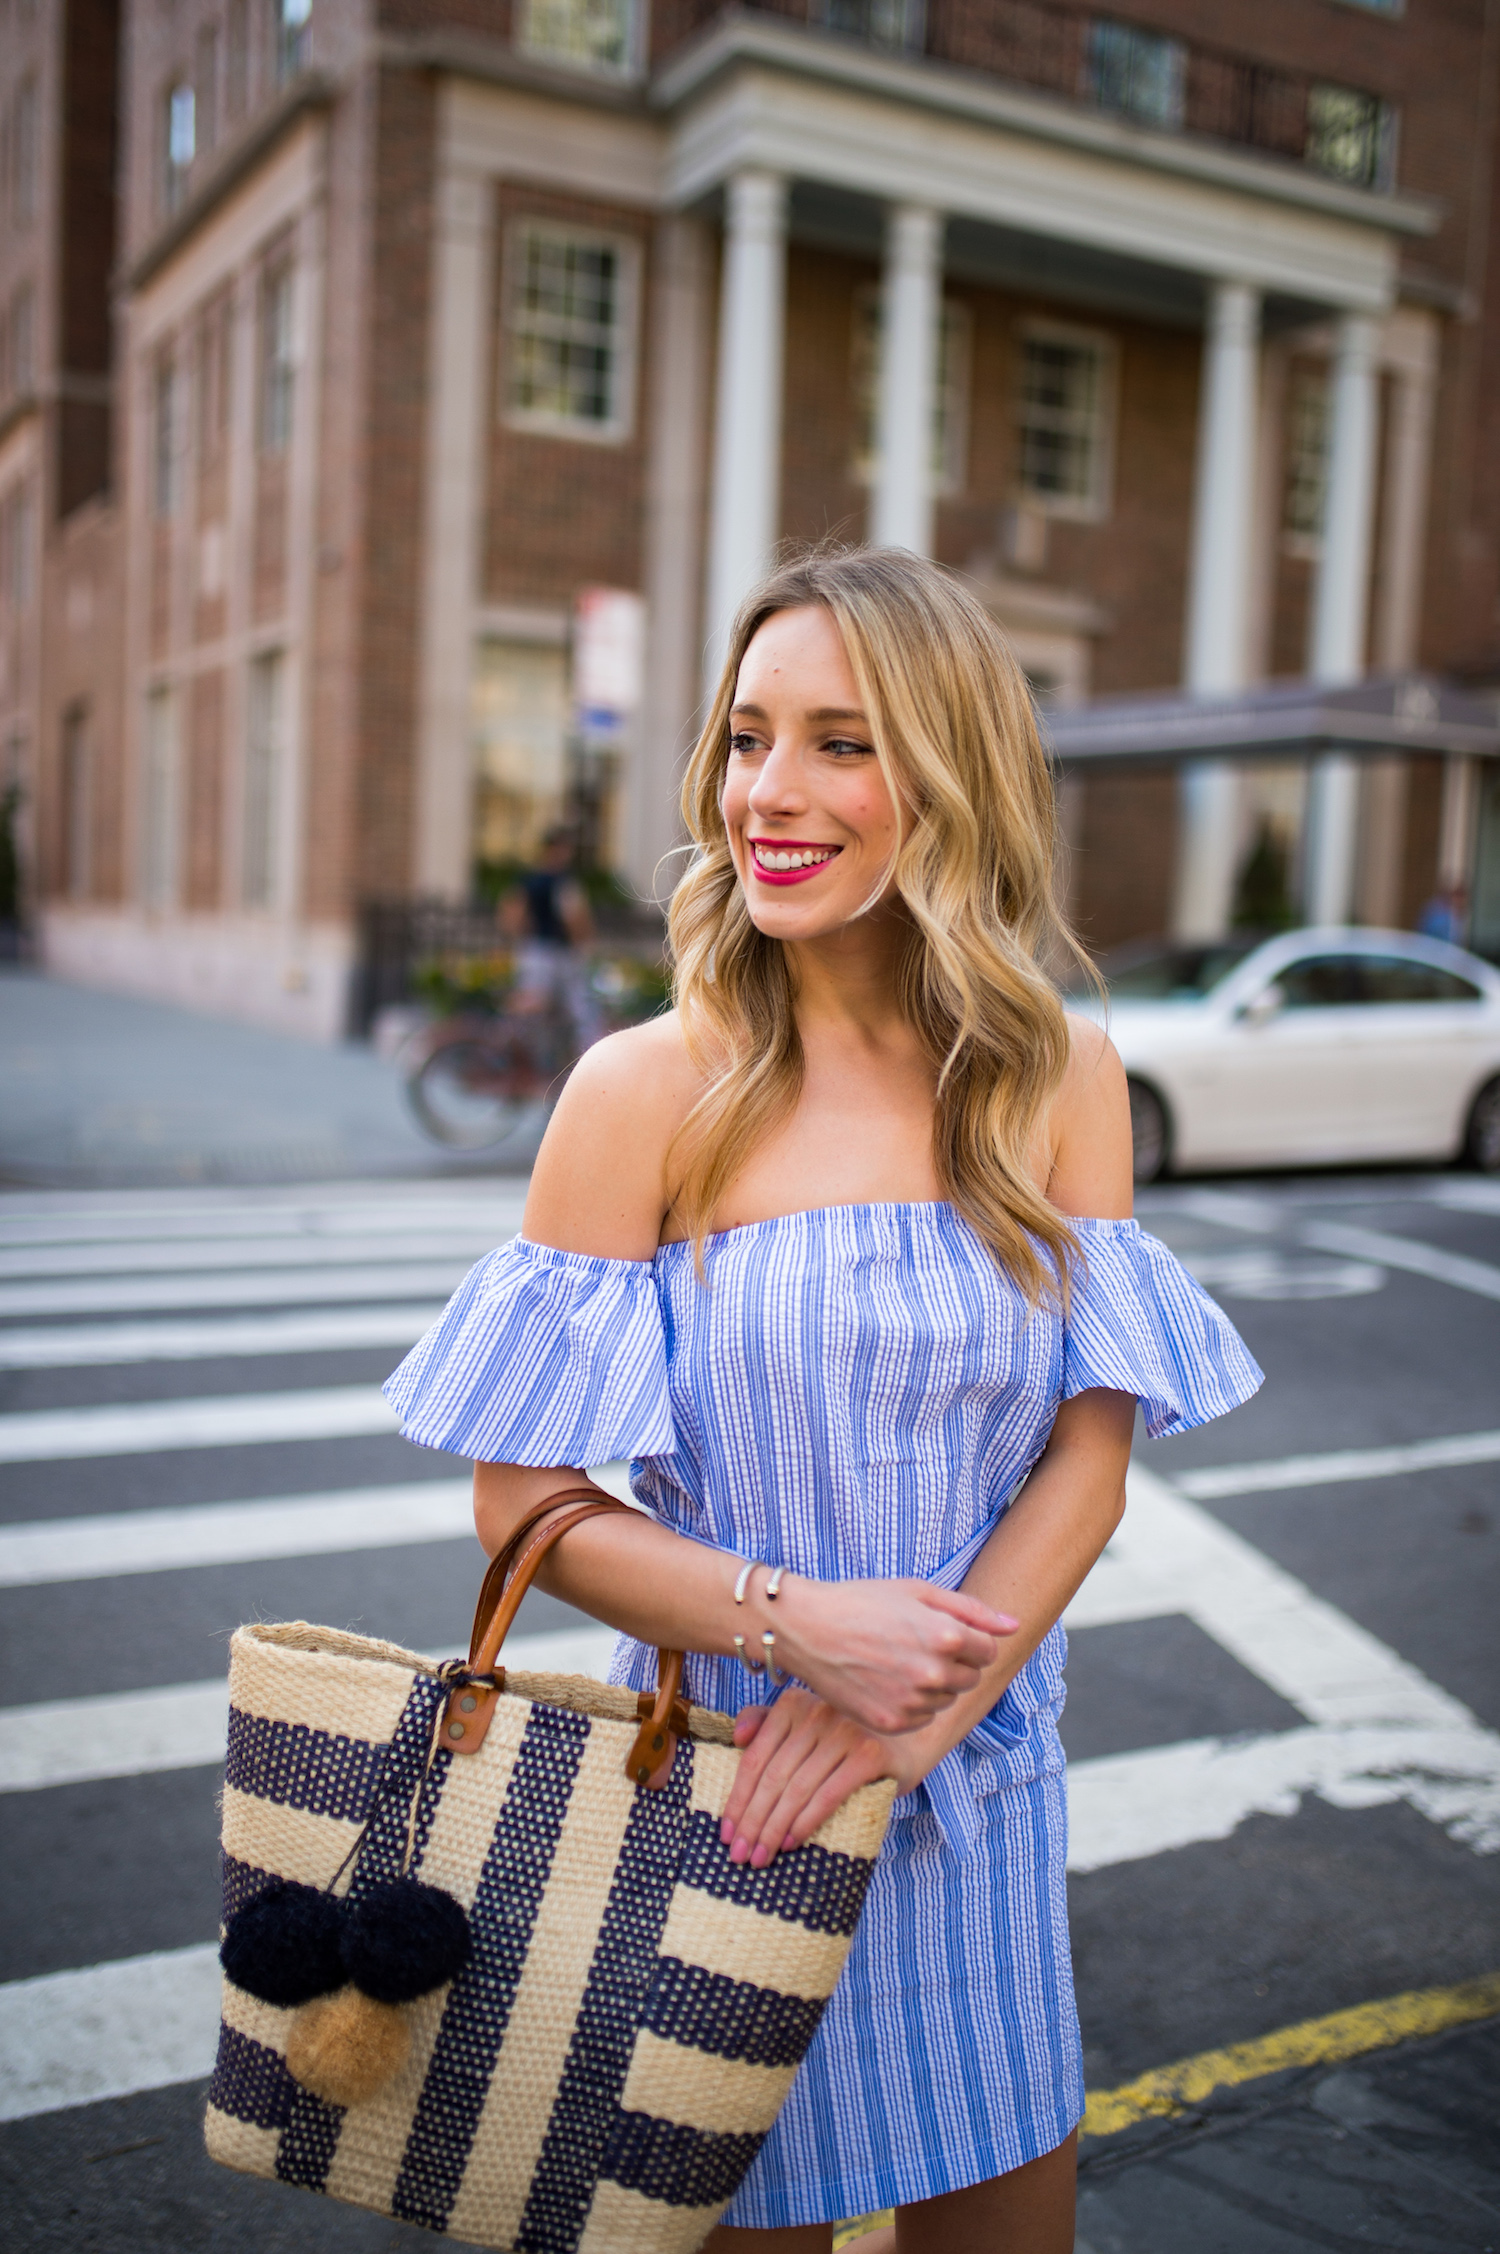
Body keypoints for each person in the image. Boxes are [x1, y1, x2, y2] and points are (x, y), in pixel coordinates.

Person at [386, 549, 1263, 2252]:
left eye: (842, 742)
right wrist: (805, 1631)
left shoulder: (1055, 1068)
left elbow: (1094, 1453)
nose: (769, 794)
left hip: (980, 1778)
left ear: (950, 775)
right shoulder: (641, 1088)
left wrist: (920, 1702)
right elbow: (524, 1506)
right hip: (736, 1797)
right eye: (747, 735)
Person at [496, 822, 604, 1048]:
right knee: (578, 1006)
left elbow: (510, 913)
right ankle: (587, 1054)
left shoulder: (529, 880)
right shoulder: (562, 882)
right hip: (556, 952)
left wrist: (524, 934)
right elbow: (574, 918)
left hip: (533, 948)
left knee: (535, 1002)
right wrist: (584, 944)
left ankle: (504, 1040)